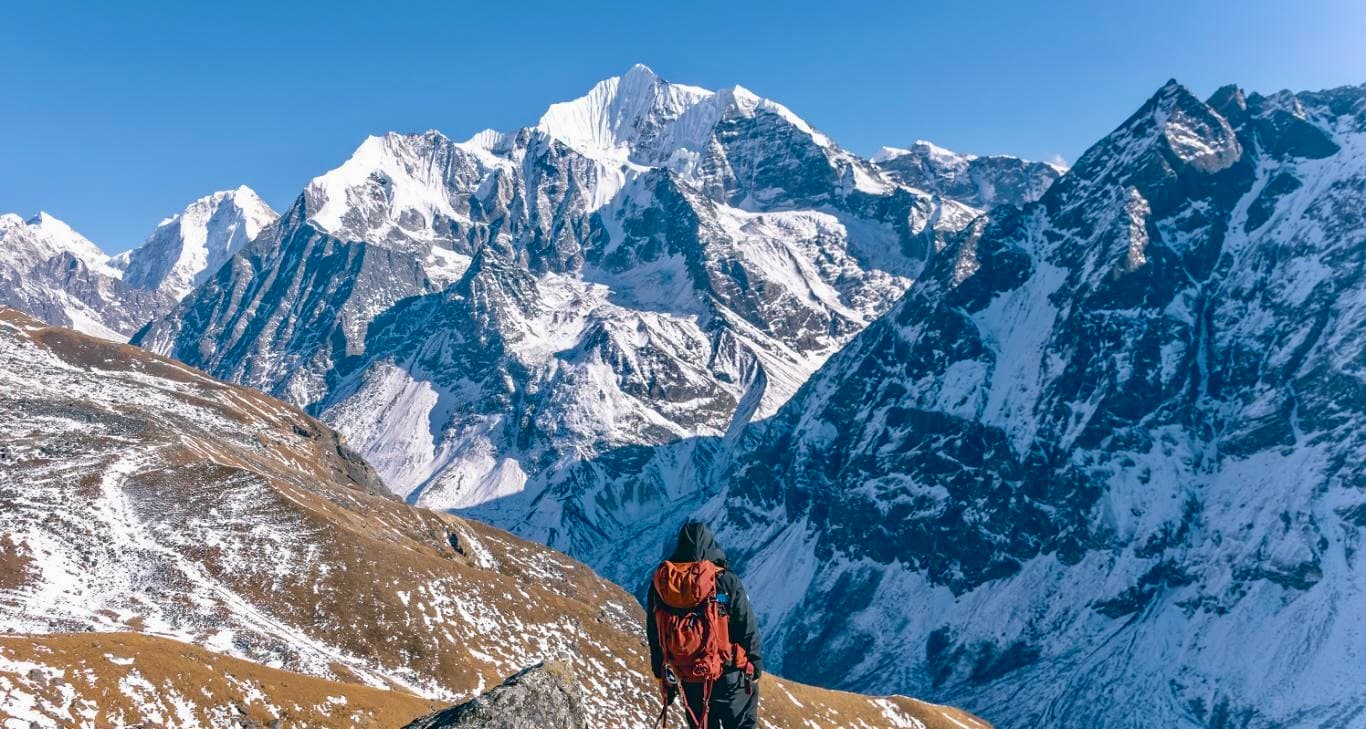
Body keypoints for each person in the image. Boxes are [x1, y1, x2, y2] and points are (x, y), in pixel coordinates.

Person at [646, 521, 762, 729]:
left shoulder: (663, 585)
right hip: (729, 674)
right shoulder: (725, 581)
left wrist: (661, 674)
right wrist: (755, 665)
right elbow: (746, 626)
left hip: (689, 676)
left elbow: (654, 633)